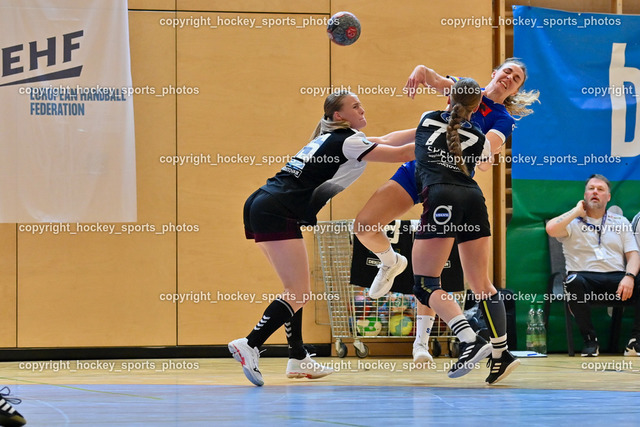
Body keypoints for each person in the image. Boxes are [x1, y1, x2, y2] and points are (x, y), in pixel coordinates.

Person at [354, 58, 539, 363]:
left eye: (516, 78)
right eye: (507, 71)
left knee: (432, 274)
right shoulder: (466, 89)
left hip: (449, 182)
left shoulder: (502, 118)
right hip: (419, 171)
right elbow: (432, 81)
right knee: (364, 226)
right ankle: (390, 261)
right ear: (494, 73)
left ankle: (422, 343)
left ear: (516, 90)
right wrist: (420, 72)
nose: (509, 77)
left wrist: (484, 155)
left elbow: (487, 150)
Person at [228, 91, 415, 386]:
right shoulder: (349, 141)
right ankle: (250, 344)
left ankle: (298, 357)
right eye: (355, 106)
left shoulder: (336, 138)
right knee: (299, 292)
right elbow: (402, 153)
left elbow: (389, 138)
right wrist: (442, 140)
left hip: (262, 204)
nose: (362, 109)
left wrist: (431, 125)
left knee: (293, 291)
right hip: (277, 209)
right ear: (339, 115)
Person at [408, 77, 521, 385]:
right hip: (473, 198)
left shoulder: (427, 118)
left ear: (449, 98)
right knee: (482, 283)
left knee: (425, 284)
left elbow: (407, 148)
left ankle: (469, 338)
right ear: (477, 106)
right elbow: (483, 162)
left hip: (442, 196)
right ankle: (502, 353)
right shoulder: (481, 137)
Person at [545, 174, 640, 357]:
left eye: (600, 189)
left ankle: (635, 342)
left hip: (618, 281)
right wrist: (576, 211)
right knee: (572, 281)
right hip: (583, 279)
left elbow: (633, 255)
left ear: (608, 197)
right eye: (591, 188)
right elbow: (551, 229)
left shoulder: (620, 222)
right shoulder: (571, 222)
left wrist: (629, 277)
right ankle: (590, 341)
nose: (595, 192)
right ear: (585, 195)